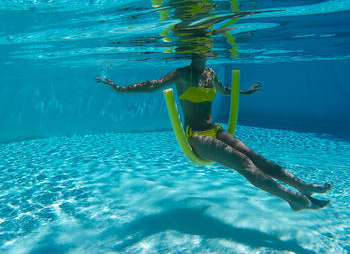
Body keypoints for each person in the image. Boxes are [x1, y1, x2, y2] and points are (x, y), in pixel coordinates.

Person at [96, 53, 332, 211]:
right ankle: (293, 199)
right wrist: (120, 89)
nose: (205, 52)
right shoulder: (180, 75)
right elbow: (151, 85)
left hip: (214, 130)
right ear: (192, 52)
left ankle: (303, 187)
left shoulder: (210, 74)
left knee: (258, 158)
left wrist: (246, 93)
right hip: (195, 136)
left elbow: (224, 90)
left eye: (207, 48)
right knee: (243, 162)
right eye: (200, 49)